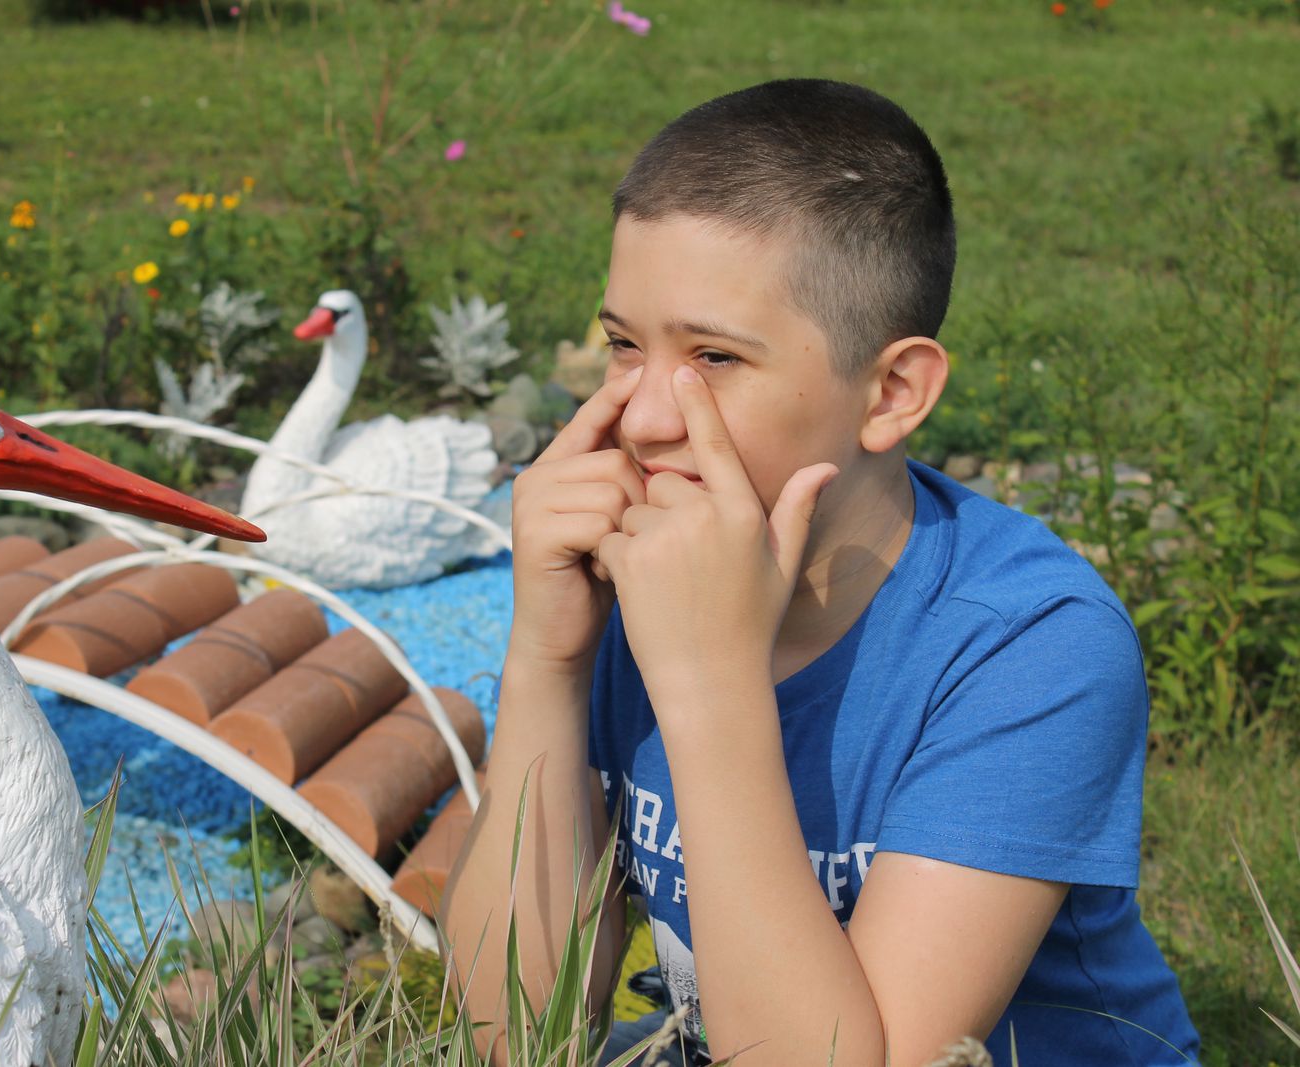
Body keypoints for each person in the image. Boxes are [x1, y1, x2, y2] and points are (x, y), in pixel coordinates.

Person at [439, 79, 1199, 1066]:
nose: (644, 418)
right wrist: (547, 659)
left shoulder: (1031, 648)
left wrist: (708, 678)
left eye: (714, 357)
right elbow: (510, 1037)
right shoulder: (642, 573)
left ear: (890, 393)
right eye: (624, 345)